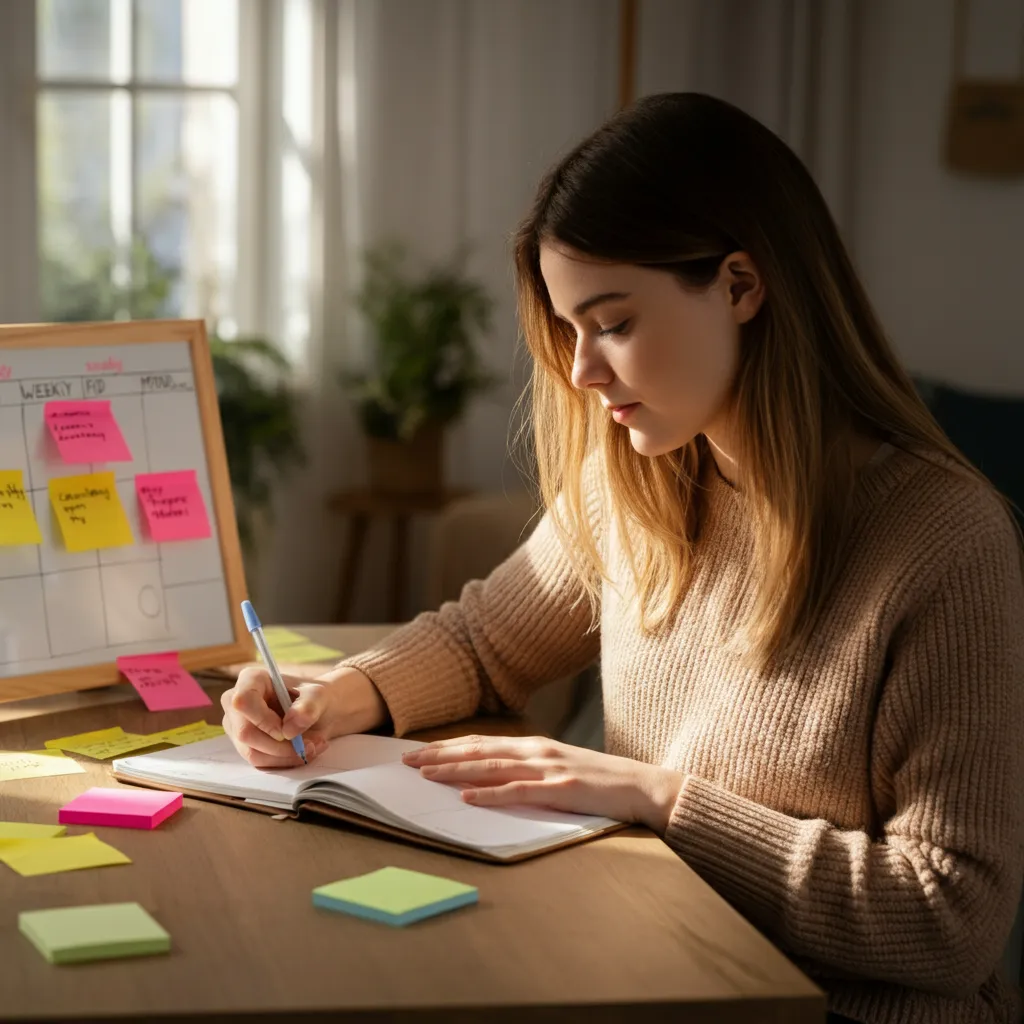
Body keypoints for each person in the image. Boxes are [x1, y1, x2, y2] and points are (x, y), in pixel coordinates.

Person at [221, 93, 1023, 1023]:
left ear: (740, 285)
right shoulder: (643, 484)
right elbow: (487, 641)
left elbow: (949, 916)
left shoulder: (944, 540)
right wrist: (333, 696)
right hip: (648, 964)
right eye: (568, 329)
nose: (582, 371)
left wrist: (658, 798)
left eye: (612, 323)